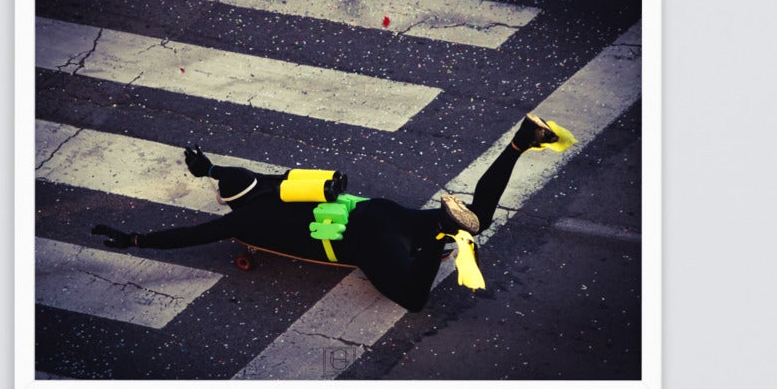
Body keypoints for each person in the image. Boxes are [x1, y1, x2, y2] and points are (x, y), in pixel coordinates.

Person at [90, 115, 572, 313]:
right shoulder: (278, 183)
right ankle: (520, 141)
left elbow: (190, 235)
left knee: (412, 299)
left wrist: (135, 240)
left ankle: (445, 232)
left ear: (230, 204)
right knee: (481, 215)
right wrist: (208, 167)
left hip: (362, 241)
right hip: (379, 212)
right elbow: (229, 173)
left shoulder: (241, 221)